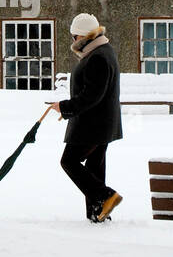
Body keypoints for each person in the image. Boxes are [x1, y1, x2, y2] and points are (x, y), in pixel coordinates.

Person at [47, 13, 124, 223]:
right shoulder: (102, 52)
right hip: (101, 124)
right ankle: (98, 212)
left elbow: (92, 96)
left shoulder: (98, 57)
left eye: (74, 37)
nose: (73, 41)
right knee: (94, 167)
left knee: (69, 161)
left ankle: (106, 196)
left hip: (93, 125)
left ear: (83, 37)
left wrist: (65, 107)